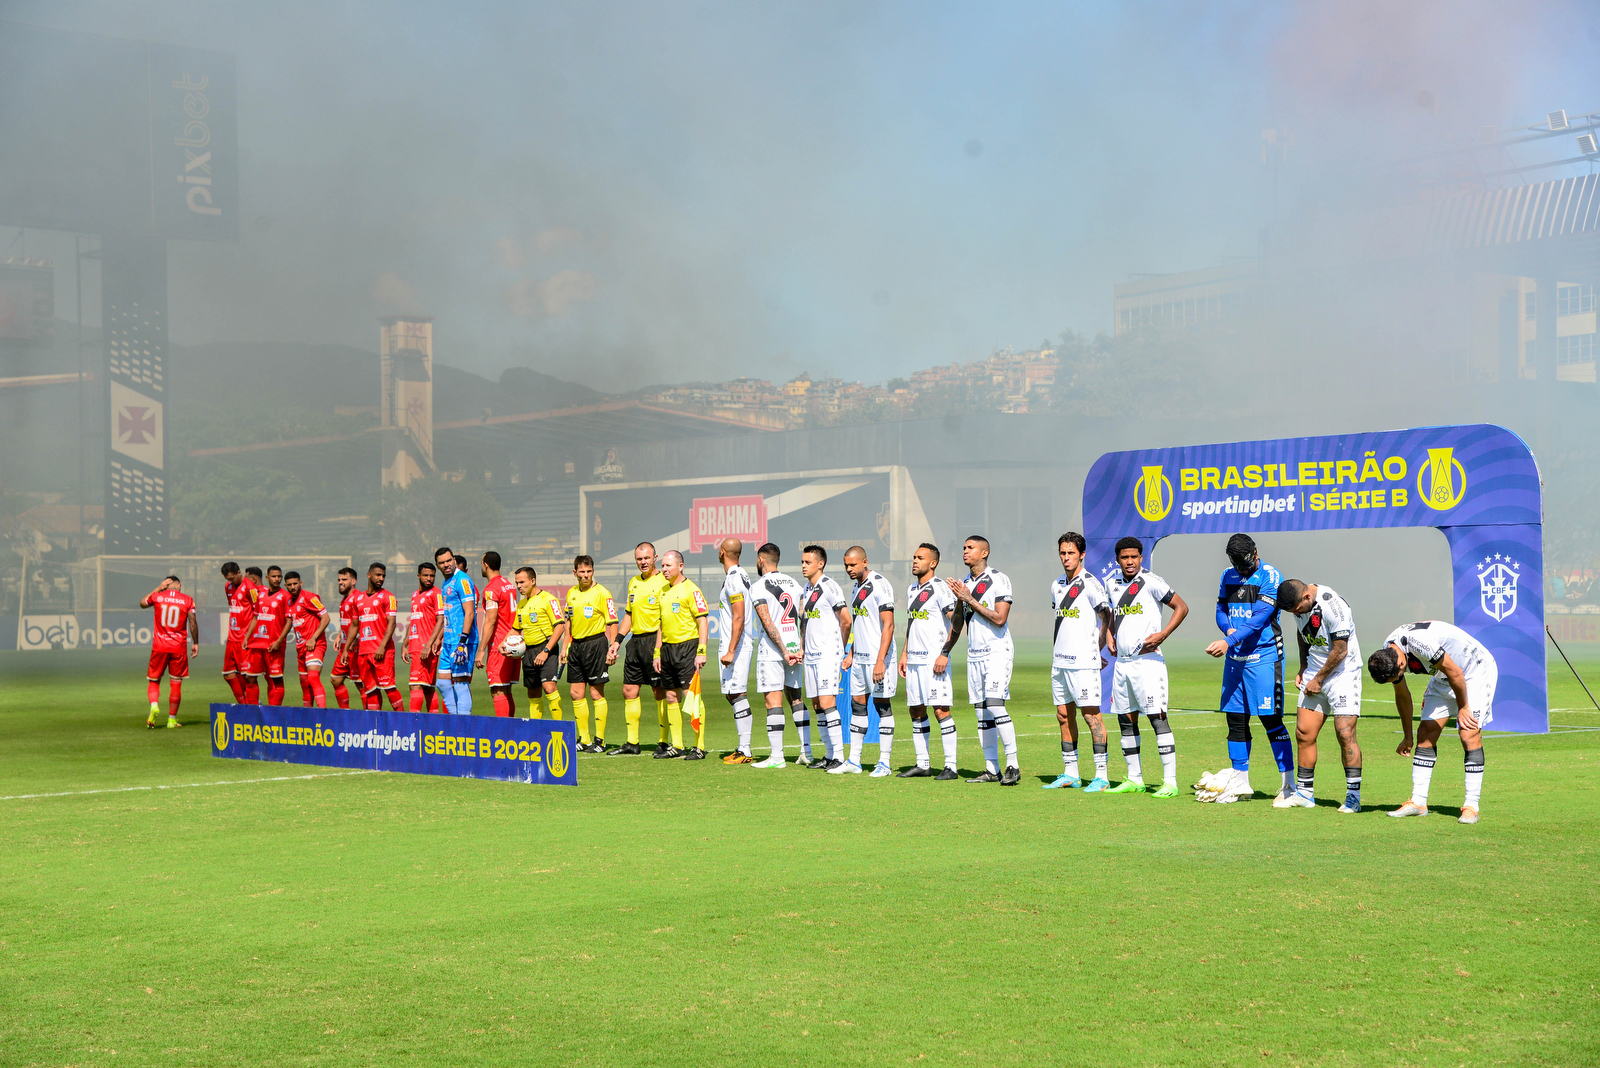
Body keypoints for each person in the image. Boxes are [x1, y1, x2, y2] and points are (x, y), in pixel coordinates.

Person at [1367, 621, 1497, 824]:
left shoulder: (1421, 644)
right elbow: (1402, 695)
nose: (1399, 679)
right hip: (1443, 677)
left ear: (1401, 664)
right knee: (1425, 733)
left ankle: (1472, 806)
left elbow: (1456, 673)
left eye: (1398, 676)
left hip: (1474, 671)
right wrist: (1407, 736)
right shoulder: (1389, 653)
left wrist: (1463, 707)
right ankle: (1418, 803)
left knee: (1468, 731)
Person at [1204, 534, 1294, 801]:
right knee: (1235, 720)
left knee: (1271, 720)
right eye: (1238, 567)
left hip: (1264, 656)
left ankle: (1289, 786)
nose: (1242, 571)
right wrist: (1228, 627)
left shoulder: (1270, 575)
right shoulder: (1227, 575)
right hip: (1235, 657)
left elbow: (1259, 620)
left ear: (1255, 552)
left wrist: (1228, 639)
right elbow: (1221, 608)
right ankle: (1240, 783)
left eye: (1246, 565)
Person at [1102, 537, 1189, 797]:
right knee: (1125, 721)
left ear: (1141, 558)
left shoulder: (1152, 582)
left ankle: (1170, 782)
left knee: (1157, 719)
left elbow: (1181, 607)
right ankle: (1134, 779)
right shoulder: (1111, 583)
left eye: (1134, 557)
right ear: (1117, 560)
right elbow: (1113, 614)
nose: (1130, 562)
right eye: (1125, 557)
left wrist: (1163, 634)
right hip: (1123, 664)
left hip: (1148, 663)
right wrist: (1109, 634)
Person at [1274, 579, 1364, 813]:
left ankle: (1353, 797)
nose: (1296, 613)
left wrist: (1319, 680)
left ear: (1306, 597)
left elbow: (1340, 650)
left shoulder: (1333, 606)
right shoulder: (1299, 604)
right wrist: (1304, 667)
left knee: (1345, 733)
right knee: (1304, 733)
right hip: (1314, 672)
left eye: (1297, 609)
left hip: (1343, 673)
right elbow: (1302, 633)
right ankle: (1304, 794)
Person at [948, 535, 1019, 785]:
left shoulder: (999, 579)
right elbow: (959, 622)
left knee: (995, 705)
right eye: (964, 547)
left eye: (971, 548)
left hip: (997, 650)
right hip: (974, 654)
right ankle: (992, 769)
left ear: (985, 552)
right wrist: (959, 601)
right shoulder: (965, 583)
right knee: (981, 713)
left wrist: (969, 599)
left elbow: (1000, 618)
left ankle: (1013, 765)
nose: (965, 551)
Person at [1043, 532, 1112, 790]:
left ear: (1081, 554)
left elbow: (1106, 615)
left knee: (1091, 716)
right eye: (1062, 553)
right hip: (1059, 662)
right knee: (1063, 715)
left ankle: (1102, 776)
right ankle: (1070, 773)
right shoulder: (1056, 585)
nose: (1066, 557)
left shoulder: (1090, 583)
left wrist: (1099, 648)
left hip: (1083, 662)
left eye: (1071, 553)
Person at [897, 542, 961, 779]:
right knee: (916, 710)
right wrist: (904, 653)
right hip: (913, 660)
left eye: (920, 558)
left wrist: (945, 653)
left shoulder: (940, 588)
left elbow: (955, 621)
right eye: (914, 557)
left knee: (941, 710)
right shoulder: (912, 589)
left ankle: (951, 766)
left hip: (934, 661)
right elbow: (912, 624)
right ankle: (923, 764)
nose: (915, 561)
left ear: (933, 563)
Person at [749, 543, 809, 769]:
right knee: (796, 697)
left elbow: (766, 620)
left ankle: (777, 756)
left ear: (761, 560)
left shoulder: (758, 586)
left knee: (772, 700)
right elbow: (803, 617)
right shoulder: (794, 583)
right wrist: (799, 646)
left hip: (775, 651)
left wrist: (783, 650)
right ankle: (806, 752)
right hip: (796, 648)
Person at [842, 545, 897, 776]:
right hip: (860, 659)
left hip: (878, 660)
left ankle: (884, 763)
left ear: (865, 561)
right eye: (846, 565)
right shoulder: (856, 587)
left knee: (882, 706)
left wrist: (880, 661)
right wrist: (852, 653)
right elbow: (860, 625)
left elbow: (889, 625)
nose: (849, 569)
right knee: (857, 706)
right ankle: (854, 761)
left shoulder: (880, 584)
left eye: (853, 564)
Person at [798, 544, 852, 772]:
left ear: (820, 564)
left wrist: (839, 648)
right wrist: (801, 647)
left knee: (828, 703)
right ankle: (828, 755)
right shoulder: (805, 589)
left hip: (827, 655)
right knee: (817, 704)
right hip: (810, 656)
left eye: (807, 562)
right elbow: (805, 622)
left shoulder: (829, 586)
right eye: (802, 562)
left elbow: (846, 620)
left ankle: (839, 756)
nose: (803, 566)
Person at [653, 550, 710, 759]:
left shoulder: (691, 590)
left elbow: (703, 620)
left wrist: (701, 651)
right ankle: (677, 745)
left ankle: (699, 746)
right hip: (667, 650)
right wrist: (657, 652)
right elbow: (661, 623)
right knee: (670, 696)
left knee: (691, 697)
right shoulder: (663, 591)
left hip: (687, 648)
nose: (664, 569)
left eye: (668, 566)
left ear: (681, 566)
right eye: (663, 566)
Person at [619, 542, 672, 754]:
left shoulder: (664, 581)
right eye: (639, 559)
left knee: (659, 691)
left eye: (647, 558)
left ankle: (664, 741)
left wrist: (659, 646)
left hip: (655, 641)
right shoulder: (633, 582)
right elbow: (629, 615)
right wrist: (617, 641)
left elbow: (665, 616)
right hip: (635, 642)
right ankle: (632, 743)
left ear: (655, 558)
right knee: (628, 690)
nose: (643, 562)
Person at [564, 555, 621, 752]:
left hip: (596, 644)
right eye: (582, 572)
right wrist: (565, 647)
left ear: (593, 572)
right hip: (576, 647)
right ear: (575, 573)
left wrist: (612, 647)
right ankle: (585, 739)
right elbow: (568, 622)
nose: (586, 575)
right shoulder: (571, 593)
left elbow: (612, 622)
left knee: (596, 693)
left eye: (589, 571)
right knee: (575, 693)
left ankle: (600, 740)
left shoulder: (603, 593)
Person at [715, 538, 758, 764]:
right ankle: (743, 747)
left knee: (737, 693)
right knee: (732, 693)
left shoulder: (734, 579)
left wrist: (731, 650)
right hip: (734, 643)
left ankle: (746, 750)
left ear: (722, 552)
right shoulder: (740, 574)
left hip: (737, 645)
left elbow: (739, 616)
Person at [343, 562, 403, 711]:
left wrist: (382, 646)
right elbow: (355, 625)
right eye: (378, 575)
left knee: (389, 688)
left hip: (382, 651)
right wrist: (345, 649)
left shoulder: (388, 597)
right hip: (363, 652)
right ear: (369, 575)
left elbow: (392, 623)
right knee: (370, 690)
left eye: (383, 575)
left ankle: (404, 723)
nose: (381, 578)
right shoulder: (358, 599)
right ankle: (375, 726)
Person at [141, 575, 197, 728]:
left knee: (154, 680)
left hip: (159, 646)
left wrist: (159, 588)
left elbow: (142, 603)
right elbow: (192, 622)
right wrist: (196, 643)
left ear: (167, 585)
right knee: (176, 683)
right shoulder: (188, 600)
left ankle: (154, 705)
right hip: (178, 647)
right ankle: (172, 720)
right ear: (179, 585)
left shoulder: (158, 596)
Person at [513, 566, 567, 721]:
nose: (519, 586)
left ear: (533, 580)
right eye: (517, 583)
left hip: (546, 648)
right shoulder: (521, 605)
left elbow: (560, 626)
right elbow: (516, 629)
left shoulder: (549, 600)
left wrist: (546, 651)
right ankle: (536, 730)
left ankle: (559, 727)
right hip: (528, 651)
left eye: (522, 582)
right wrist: (504, 644)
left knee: (549, 687)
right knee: (533, 692)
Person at [477, 551, 521, 718]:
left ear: (485, 564)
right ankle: (511, 731)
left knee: (497, 690)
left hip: (499, 645)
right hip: (513, 642)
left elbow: (491, 620)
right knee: (506, 689)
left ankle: (504, 733)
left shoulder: (491, 589)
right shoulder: (508, 585)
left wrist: (481, 650)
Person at [434, 547, 477, 715]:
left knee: (460, 683)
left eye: (448, 560)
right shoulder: (447, 581)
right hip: (448, 641)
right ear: (437, 565)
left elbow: (470, 612)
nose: (446, 565)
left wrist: (463, 642)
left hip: (462, 642)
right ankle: (454, 720)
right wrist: (440, 637)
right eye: (442, 562)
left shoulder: (462, 580)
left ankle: (463, 724)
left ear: (453, 560)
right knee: (443, 683)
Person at [283, 571, 331, 708]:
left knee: (313, 677)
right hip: (300, 646)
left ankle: (322, 714)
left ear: (301, 583)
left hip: (315, 644)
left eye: (295, 584)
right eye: (290, 584)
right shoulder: (288, 601)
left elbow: (326, 618)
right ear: (286, 585)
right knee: (304, 683)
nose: (293, 587)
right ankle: (308, 715)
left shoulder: (310, 597)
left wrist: (313, 638)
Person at [403, 562, 446, 712]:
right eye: (426, 575)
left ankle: (413, 723)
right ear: (418, 576)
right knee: (428, 688)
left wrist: (429, 644)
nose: (429, 578)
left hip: (425, 646)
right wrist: (404, 644)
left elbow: (441, 620)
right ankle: (432, 722)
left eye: (432, 576)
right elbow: (414, 620)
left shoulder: (436, 593)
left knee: (415, 685)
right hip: (415, 645)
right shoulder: (415, 595)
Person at [252, 566, 294, 706]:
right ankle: (253, 710)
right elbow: (255, 617)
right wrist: (247, 638)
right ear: (267, 578)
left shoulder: (285, 596)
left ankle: (275, 711)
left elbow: (289, 621)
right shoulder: (261, 594)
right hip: (259, 644)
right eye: (274, 576)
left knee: (276, 679)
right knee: (250, 677)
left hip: (275, 645)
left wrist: (279, 641)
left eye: (279, 576)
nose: (277, 579)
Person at [220, 562, 260, 703]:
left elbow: (257, 614)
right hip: (232, 638)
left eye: (232, 578)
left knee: (248, 676)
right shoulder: (228, 587)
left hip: (245, 638)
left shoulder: (251, 588)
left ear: (239, 572)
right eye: (227, 579)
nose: (230, 582)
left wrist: (248, 637)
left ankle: (253, 705)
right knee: (228, 674)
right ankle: (244, 705)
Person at [328, 566, 360, 709]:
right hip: (345, 648)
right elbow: (349, 622)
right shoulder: (344, 599)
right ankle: (344, 713)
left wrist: (355, 639)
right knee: (335, 679)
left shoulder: (358, 598)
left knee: (362, 684)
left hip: (356, 648)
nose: (340, 582)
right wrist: (340, 635)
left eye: (344, 579)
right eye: (339, 580)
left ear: (353, 581)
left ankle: (370, 717)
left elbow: (362, 623)